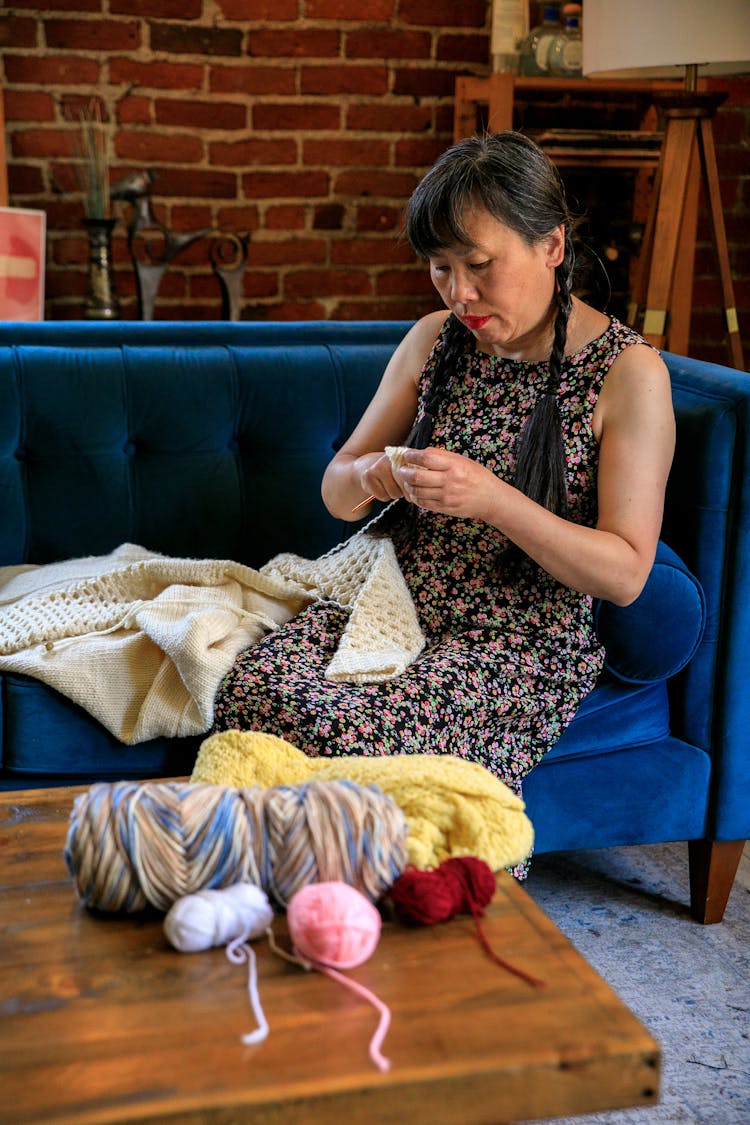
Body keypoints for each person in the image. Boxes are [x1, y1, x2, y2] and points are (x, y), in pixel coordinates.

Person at [212, 131, 675, 872]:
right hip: (389, 607)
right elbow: (337, 490)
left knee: (353, 731)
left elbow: (624, 572)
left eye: (480, 266)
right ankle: (276, 880)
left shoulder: (628, 373)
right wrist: (374, 476)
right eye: (441, 268)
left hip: (514, 641)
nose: (460, 293)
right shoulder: (435, 340)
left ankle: (357, 895)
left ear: (552, 244)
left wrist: (492, 499)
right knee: (255, 690)